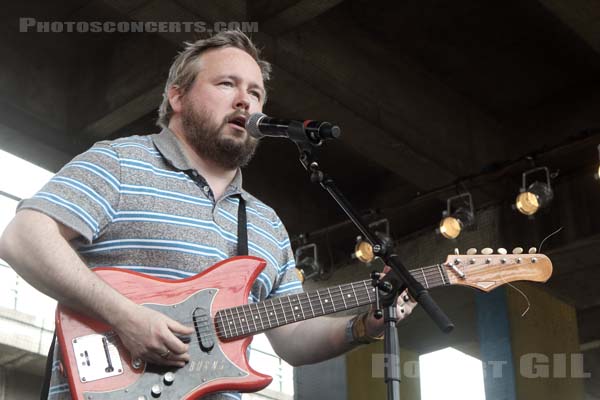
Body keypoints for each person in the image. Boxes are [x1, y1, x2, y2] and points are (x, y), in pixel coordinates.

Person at [0, 30, 416, 400]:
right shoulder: (121, 161)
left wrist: (366, 324)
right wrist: (125, 317)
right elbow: (23, 237)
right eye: (226, 84)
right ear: (177, 97)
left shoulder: (266, 223)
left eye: (255, 93)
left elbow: (291, 337)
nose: (245, 100)